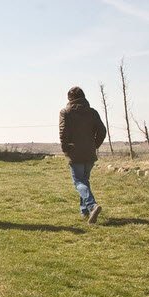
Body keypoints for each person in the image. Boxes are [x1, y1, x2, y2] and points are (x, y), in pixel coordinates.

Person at [59, 86, 107, 224]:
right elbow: (102, 131)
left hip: (75, 152)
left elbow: (63, 133)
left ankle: (92, 206)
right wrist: (94, 145)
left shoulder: (65, 112)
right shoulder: (92, 112)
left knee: (78, 182)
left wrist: (65, 149)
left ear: (70, 98)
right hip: (89, 153)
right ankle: (84, 211)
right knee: (84, 181)